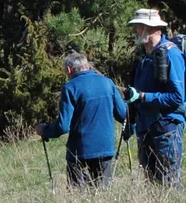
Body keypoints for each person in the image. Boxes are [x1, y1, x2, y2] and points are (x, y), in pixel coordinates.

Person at [36, 50, 129, 186]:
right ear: (88, 66)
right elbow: (124, 115)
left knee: (79, 197)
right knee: (103, 194)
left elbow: (63, 126)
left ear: (69, 69)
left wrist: (44, 130)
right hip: (105, 148)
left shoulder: (70, 88)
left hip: (79, 151)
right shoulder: (107, 83)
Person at [121, 10, 186, 185]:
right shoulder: (145, 58)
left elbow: (177, 97)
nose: (134, 30)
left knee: (169, 180)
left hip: (166, 128)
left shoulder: (171, 54)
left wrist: (143, 97)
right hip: (146, 129)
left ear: (151, 29)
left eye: (138, 26)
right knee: (151, 182)